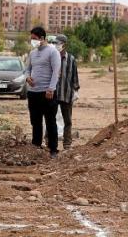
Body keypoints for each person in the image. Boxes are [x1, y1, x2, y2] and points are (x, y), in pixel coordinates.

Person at [25, 26, 61, 158]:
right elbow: (27, 69)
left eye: (34, 39)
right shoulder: (32, 53)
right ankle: (36, 145)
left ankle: (53, 149)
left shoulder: (52, 52)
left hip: (47, 92)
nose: (32, 41)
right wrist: (27, 77)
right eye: (31, 39)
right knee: (35, 121)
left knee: (50, 121)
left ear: (42, 38)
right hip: (33, 92)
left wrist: (51, 88)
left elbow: (56, 72)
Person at [55, 34, 80, 150]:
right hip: (53, 94)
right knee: (50, 119)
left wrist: (76, 90)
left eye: (58, 43)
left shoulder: (71, 59)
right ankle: (49, 142)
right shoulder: (52, 58)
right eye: (55, 43)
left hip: (67, 94)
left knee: (67, 121)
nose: (56, 45)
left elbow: (75, 77)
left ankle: (67, 144)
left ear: (64, 44)